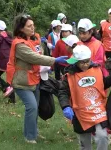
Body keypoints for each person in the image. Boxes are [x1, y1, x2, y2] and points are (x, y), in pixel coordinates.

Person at [6, 14, 68, 144]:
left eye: (33, 25)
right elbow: (35, 58)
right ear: (21, 28)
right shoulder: (19, 44)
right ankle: (29, 137)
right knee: (32, 107)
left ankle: (33, 132)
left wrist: (46, 67)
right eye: (29, 26)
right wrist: (55, 60)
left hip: (34, 79)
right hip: (21, 82)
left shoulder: (30, 40)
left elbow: (39, 55)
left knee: (35, 108)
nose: (32, 28)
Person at [58, 45, 111, 150]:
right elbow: (63, 92)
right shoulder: (70, 75)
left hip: (98, 109)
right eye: (82, 62)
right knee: (85, 144)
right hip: (81, 112)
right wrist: (65, 106)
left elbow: (102, 84)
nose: (85, 64)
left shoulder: (96, 70)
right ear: (76, 61)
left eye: (87, 61)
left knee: (102, 136)